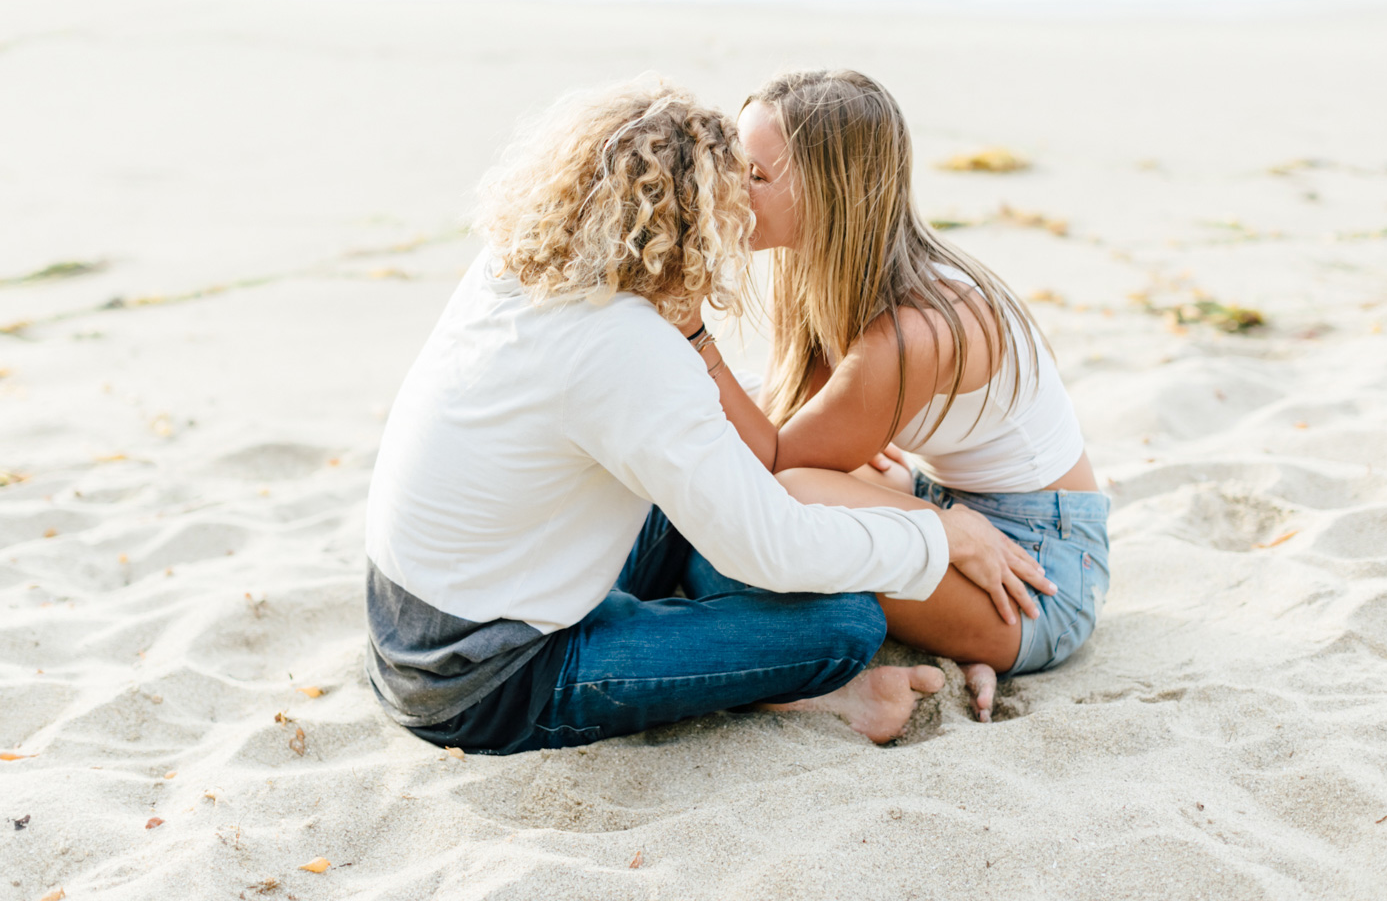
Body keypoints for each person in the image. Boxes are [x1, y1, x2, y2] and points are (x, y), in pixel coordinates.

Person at [363, 77, 1052, 753]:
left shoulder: (523, 265)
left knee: (724, 491)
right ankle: (789, 683)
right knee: (842, 622)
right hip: (483, 680)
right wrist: (940, 538)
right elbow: (771, 548)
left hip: (412, 623)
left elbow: (654, 403)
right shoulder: (623, 346)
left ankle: (700, 651)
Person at [683, 69, 1109, 722]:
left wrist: (690, 331)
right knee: (794, 457)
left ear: (831, 195)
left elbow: (775, 467)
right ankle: (935, 577)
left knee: (795, 492)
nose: (732, 190)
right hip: (958, 506)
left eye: (758, 177)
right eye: (736, 165)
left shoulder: (912, 333)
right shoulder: (823, 270)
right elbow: (784, 422)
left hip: (1040, 572)